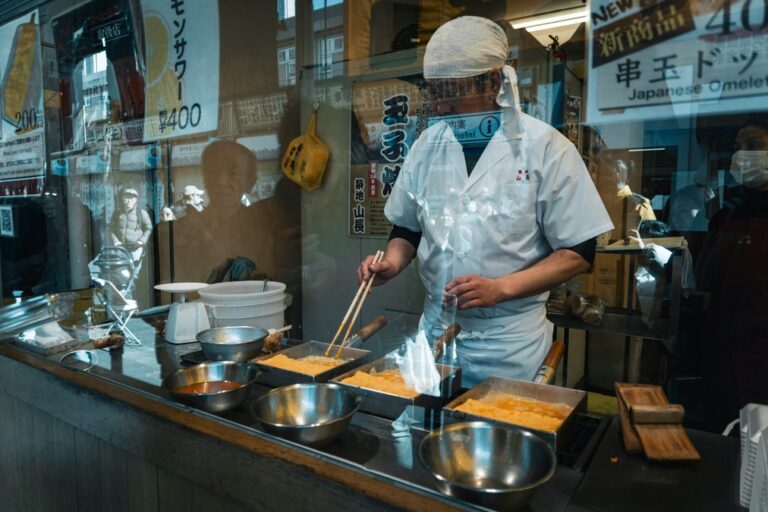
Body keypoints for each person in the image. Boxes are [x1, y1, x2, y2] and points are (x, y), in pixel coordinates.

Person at [357, 16, 613, 386]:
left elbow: (579, 251)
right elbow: (407, 227)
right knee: (430, 433)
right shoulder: (429, 144)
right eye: (434, 92)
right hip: (435, 332)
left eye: (452, 92)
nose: (441, 107)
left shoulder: (545, 148)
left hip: (508, 344)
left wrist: (500, 288)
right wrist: (392, 263)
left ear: (493, 81)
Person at [695, 116, 768, 431]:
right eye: (738, 148)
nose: (742, 156)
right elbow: (706, 276)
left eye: (753, 147)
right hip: (723, 349)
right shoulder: (730, 215)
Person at [109, 186, 152, 263]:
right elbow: (111, 228)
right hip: (120, 248)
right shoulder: (117, 213)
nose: (129, 201)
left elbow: (149, 228)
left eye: (132, 198)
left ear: (136, 200)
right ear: (122, 199)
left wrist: (141, 241)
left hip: (136, 249)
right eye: (127, 198)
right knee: (121, 271)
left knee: (136, 272)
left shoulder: (141, 213)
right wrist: (115, 241)